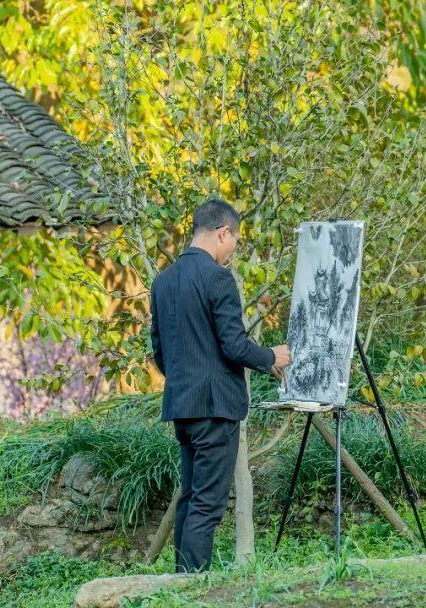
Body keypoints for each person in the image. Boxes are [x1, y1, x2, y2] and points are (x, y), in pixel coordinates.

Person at [149, 198, 291, 573]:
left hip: (182, 406)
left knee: (190, 497)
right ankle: (193, 584)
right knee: (207, 504)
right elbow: (234, 344)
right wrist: (271, 356)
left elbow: (160, 351)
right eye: (236, 241)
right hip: (215, 408)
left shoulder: (163, 281)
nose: (233, 250)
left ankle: (181, 584)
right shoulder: (217, 277)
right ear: (223, 232)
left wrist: (186, 379)